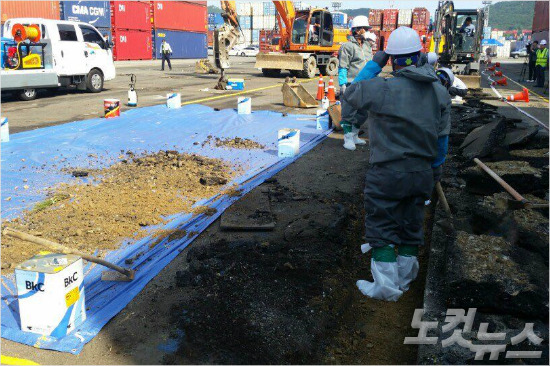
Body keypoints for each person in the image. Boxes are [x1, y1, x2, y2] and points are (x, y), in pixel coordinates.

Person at [340, 26, 451, 301]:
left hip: (387, 174)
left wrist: (373, 65)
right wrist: (435, 172)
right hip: (422, 173)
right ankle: (404, 281)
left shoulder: (381, 88)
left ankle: (386, 289)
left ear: (392, 59)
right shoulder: (439, 91)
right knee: (412, 227)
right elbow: (442, 140)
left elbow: (350, 93)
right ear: (420, 55)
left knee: (382, 228)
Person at [338, 15, 373, 150]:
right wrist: (343, 84)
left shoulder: (367, 46)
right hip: (351, 83)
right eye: (365, 29)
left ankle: (355, 135)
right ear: (357, 30)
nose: (367, 31)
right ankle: (347, 139)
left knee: (362, 112)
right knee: (349, 111)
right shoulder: (347, 47)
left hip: (365, 84)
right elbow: (343, 66)